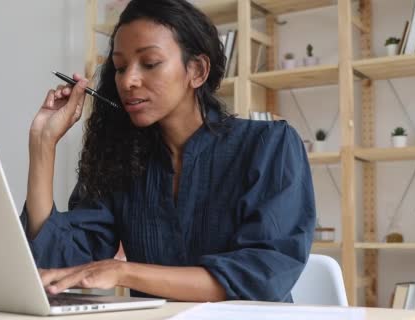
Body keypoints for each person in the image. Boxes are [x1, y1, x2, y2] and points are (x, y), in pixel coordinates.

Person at [22, 0, 315, 302]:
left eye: (149, 63)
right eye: (120, 67)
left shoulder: (269, 146)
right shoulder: (121, 158)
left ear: (197, 70)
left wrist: (124, 272)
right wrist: (43, 144)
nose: (128, 80)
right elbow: (60, 264)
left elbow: (261, 276)